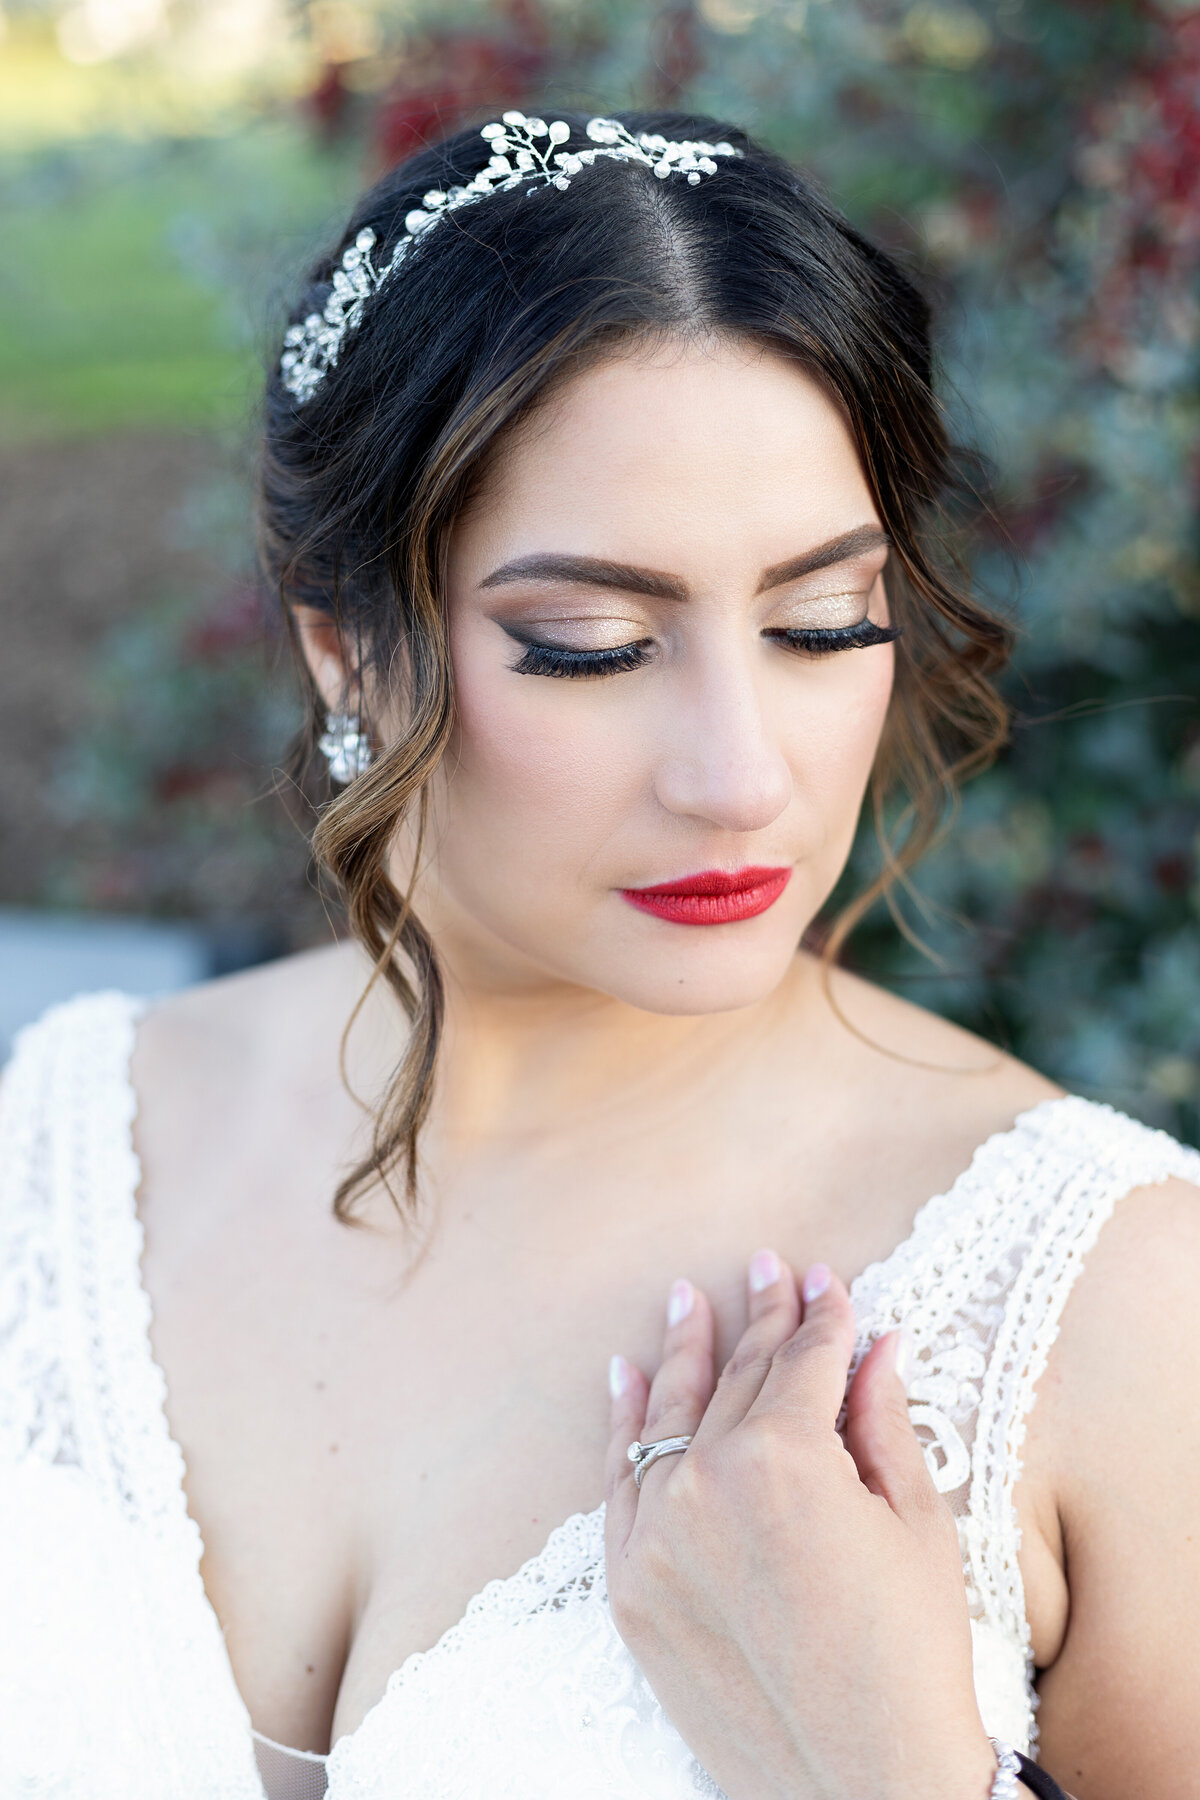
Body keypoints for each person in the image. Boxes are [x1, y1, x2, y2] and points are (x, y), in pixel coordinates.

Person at [1, 109, 1196, 1800]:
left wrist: (879, 1764)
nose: (741, 775)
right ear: (345, 647)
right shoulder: (56, 1147)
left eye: (823, 623)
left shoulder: (1119, 1308)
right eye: (595, 645)